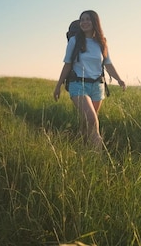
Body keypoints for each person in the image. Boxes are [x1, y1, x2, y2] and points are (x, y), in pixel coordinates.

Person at [53, 10, 126, 149]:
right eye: (82, 20)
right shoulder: (74, 41)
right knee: (92, 120)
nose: (84, 22)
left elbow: (108, 64)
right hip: (78, 85)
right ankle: (99, 159)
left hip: (97, 87)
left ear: (95, 22)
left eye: (88, 19)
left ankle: (81, 150)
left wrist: (119, 79)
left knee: (87, 122)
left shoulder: (102, 42)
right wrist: (58, 87)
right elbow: (67, 64)